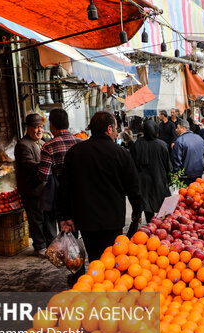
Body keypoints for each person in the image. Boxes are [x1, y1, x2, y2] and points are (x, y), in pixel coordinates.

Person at [57, 111, 142, 266]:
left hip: (86, 218)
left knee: (94, 257)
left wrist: (64, 215)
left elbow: (65, 187)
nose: (117, 132)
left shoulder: (75, 152)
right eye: (116, 128)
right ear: (109, 129)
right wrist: (137, 210)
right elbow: (133, 186)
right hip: (112, 218)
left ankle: (94, 283)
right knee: (111, 259)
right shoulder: (121, 153)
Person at [15, 113, 56, 257]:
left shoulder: (42, 142)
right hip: (32, 190)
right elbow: (28, 164)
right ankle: (40, 247)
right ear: (28, 128)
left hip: (44, 188)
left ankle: (51, 244)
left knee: (48, 218)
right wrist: (47, 165)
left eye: (41, 127)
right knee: (36, 219)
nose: (39, 130)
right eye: (35, 127)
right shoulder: (23, 145)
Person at [37, 108, 81, 223]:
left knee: (66, 232)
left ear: (51, 125)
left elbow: (44, 175)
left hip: (61, 197)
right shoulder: (81, 143)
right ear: (68, 123)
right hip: (80, 194)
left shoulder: (48, 146)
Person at [130, 120, 171, 223]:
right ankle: (161, 229)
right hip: (159, 180)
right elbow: (168, 166)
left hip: (143, 183)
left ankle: (150, 227)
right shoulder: (162, 145)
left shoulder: (137, 144)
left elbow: (132, 165)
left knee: (148, 208)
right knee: (162, 210)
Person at [171, 118, 204, 186]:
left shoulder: (179, 141)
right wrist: (200, 159)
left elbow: (176, 160)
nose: (176, 130)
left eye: (177, 128)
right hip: (198, 172)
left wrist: (176, 172)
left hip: (186, 175)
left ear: (183, 128)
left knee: (187, 193)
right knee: (197, 192)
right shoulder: (198, 138)